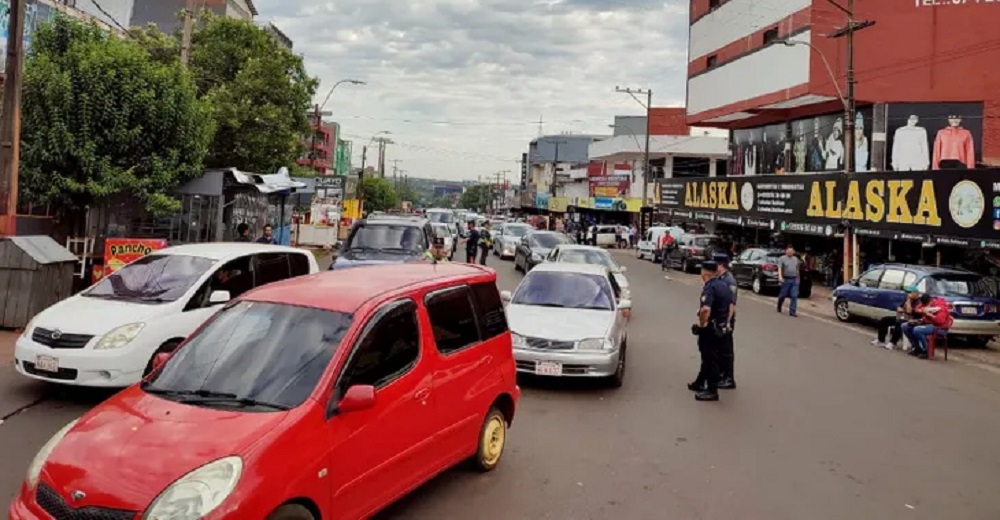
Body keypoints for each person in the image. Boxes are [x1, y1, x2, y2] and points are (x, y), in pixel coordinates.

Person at [689, 260, 734, 402]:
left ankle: (711, 390)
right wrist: (726, 323)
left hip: (710, 328)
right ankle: (700, 382)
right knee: (709, 357)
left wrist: (702, 325)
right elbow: (731, 306)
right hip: (721, 326)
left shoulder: (710, 287)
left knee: (710, 359)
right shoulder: (724, 285)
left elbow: (706, 309)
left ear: (705, 273)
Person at [902, 293, 953, 359]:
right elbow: (917, 308)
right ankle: (917, 348)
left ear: (930, 301)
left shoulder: (941, 307)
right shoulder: (926, 303)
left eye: (926, 305)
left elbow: (940, 321)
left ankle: (926, 350)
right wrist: (922, 310)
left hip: (939, 327)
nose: (925, 306)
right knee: (905, 326)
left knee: (917, 330)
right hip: (927, 323)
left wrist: (929, 314)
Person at [713, 253, 738, 389]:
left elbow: (731, 305)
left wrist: (728, 323)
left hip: (726, 319)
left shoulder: (730, 281)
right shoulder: (720, 278)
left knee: (726, 350)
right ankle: (721, 374)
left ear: (721, 265)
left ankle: (729, 378)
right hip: (719, 318)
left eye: (715, 264)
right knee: (719, 349)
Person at [872, 286, 919, 350]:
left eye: (909, 292)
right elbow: (899, 307)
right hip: (902, 317)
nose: (908, 294)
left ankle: (893, 343)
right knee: (885, 320)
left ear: (915, 293)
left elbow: (909, 311)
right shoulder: (907, 299)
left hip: (912, 319)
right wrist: (899, 308)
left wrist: (908, 301)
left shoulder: (918, 302)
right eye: (907, 292)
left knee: (899, 323)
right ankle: (881, 340)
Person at [776, 245, 801, 317]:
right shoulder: (782, 258)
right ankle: (779, 305)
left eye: (791, 251)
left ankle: (792, 311)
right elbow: (780, 268)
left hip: (794, 279)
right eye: (789, 251)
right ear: (786, 251)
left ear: (793, 252)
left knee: (794, 295)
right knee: (783, 295)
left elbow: (797, 270)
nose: (790, 253)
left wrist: (798, 280)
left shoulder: (796, 259)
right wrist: (780, 277)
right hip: (786, 279)